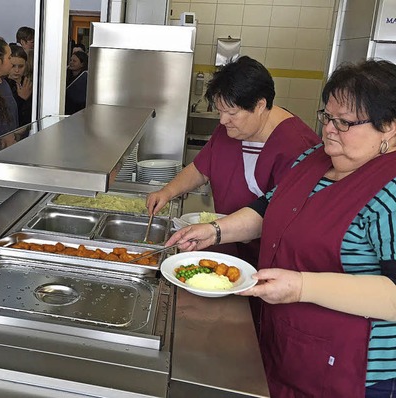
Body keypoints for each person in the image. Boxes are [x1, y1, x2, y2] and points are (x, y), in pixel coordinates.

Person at [168, 59, 396, 397]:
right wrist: (216, 231)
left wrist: (301, 287)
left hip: (350, 368)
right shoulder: (316, 158)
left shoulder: (390, 191)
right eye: (327, 117)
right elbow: (268, 208)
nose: (329, 129)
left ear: (389, 127)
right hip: (289, 343)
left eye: (344, 122)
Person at [146, 56, 320, 266]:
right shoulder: (231, 129)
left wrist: (216, 231)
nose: (222, 120)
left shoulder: (298, 147)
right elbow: (202, 169)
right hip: (226, 248)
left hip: (268, 260)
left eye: (231, 113)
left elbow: (284, 216)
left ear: (260, 105)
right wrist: (167, 191)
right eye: (220, 111)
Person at [5, 44, 32, 127]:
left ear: (26, 65)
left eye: (21, 66)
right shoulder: (0, 85)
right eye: (13, 66)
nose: (17, 70)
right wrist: (21, 99)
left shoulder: (30, 83)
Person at [65, 51, 88, 115]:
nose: (71, 63)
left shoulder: (84, 78)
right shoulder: (66, 75)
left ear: (82, 64)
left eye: (74, 61)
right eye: (71, 60)